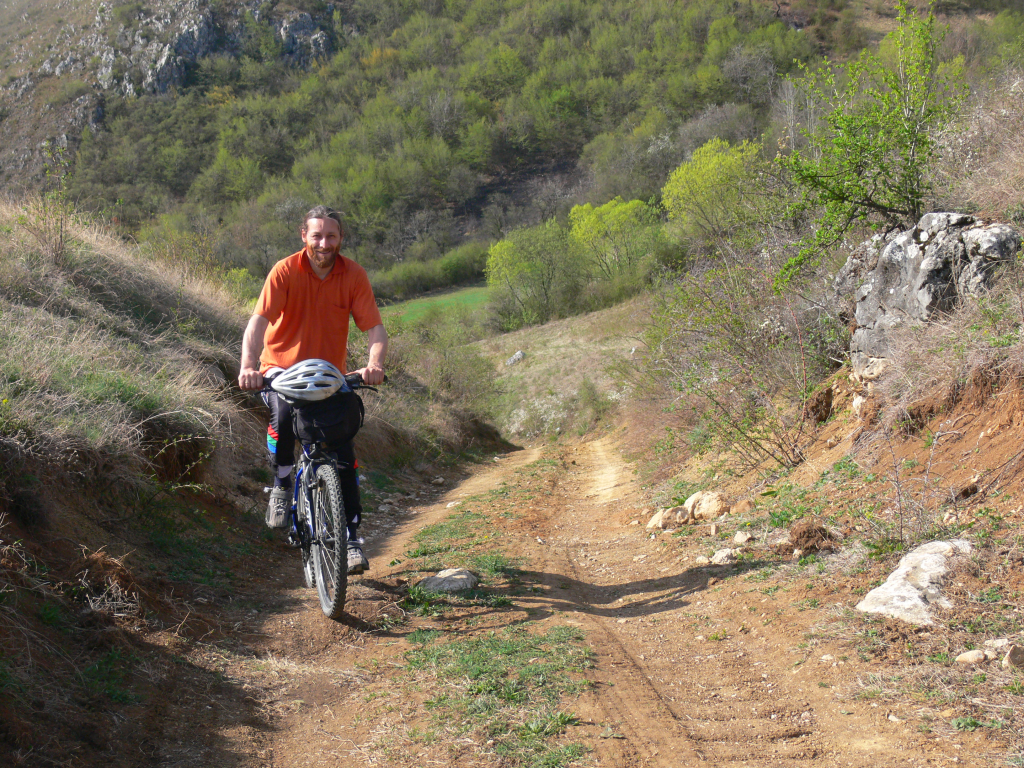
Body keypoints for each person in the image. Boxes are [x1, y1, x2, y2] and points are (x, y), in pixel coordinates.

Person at [238, 205, 387, 575]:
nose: (324, 243)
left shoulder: (353, 275)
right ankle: (282, 483)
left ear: (340, 239)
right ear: (304, 236)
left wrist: (375, 365)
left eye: (331, 236)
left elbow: (375, 330)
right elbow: (258, 324)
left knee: (343, 453)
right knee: (284, 414)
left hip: (327, 376)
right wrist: (248, 367)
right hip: (280, 372)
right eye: (317, 235)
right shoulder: (285, 270)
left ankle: (350, 540)